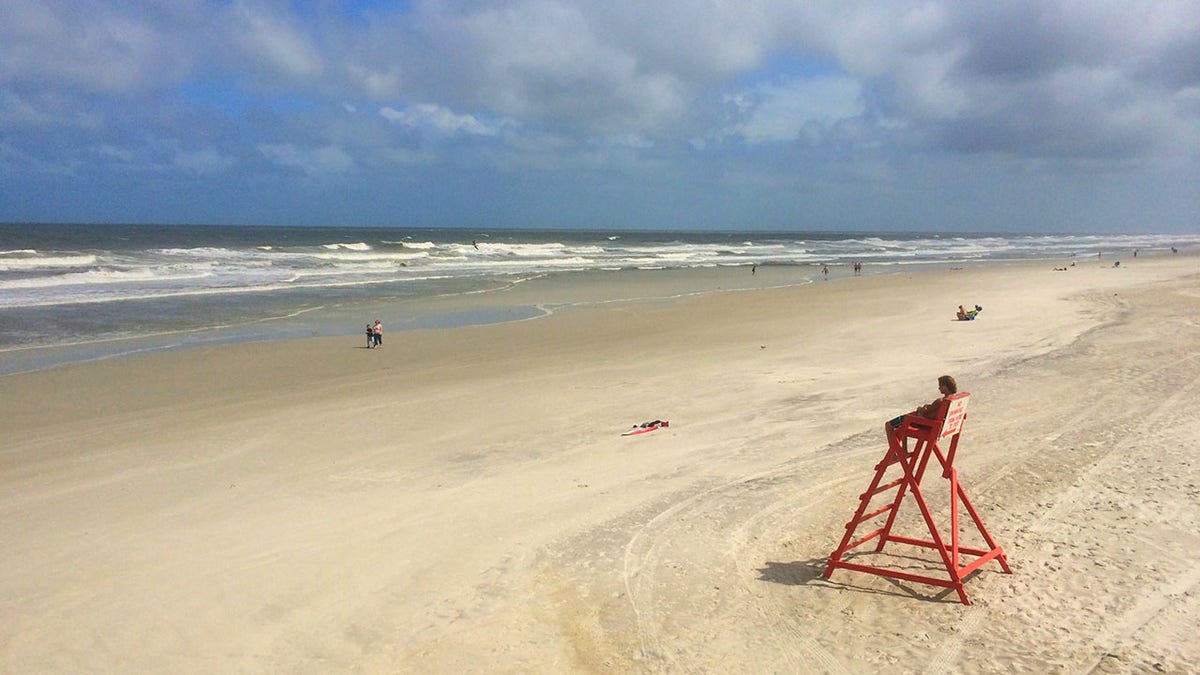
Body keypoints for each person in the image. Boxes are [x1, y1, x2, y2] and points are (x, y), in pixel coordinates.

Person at [884, 375, 957, 446]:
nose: (939, 388)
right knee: (903, 426)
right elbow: (932, 411)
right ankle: (903, 451)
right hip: (933, 426)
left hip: (922, 423)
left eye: (941, 386)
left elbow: (925, 412)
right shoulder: (953, 400)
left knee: (889, 425)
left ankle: (894, 454)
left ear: (946, 386)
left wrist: (921, 409)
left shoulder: (940, 401)